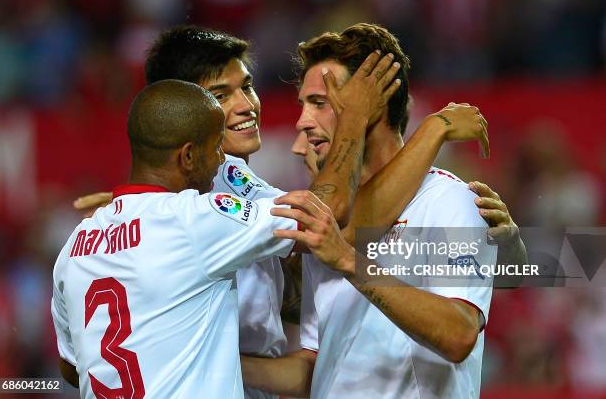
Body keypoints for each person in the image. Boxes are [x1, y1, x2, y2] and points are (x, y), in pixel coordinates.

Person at [72, 25, 498, 399]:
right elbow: (331, 227)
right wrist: (434, 129)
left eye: (247, 86)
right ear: (181, 110)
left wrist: (513, 249)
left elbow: (328, 270)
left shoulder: (450, 199)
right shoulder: (209, 208)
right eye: (221, 95)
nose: (248, 105)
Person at [52, 53, 402, 397]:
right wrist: (364, 118)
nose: (222, 158)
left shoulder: (75, 244)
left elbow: (72, 365)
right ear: (187, 155)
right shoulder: (199, 217)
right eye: (215, 147)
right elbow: (326, 214)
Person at [240, 23, 526, 399]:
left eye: (320, 103)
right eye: (303, 104)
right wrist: (221, 359)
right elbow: (317, 365)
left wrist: (348, 260)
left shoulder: (447, 200)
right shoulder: (329, 219)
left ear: (371, 106)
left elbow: (458, 334)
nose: (302, 122)